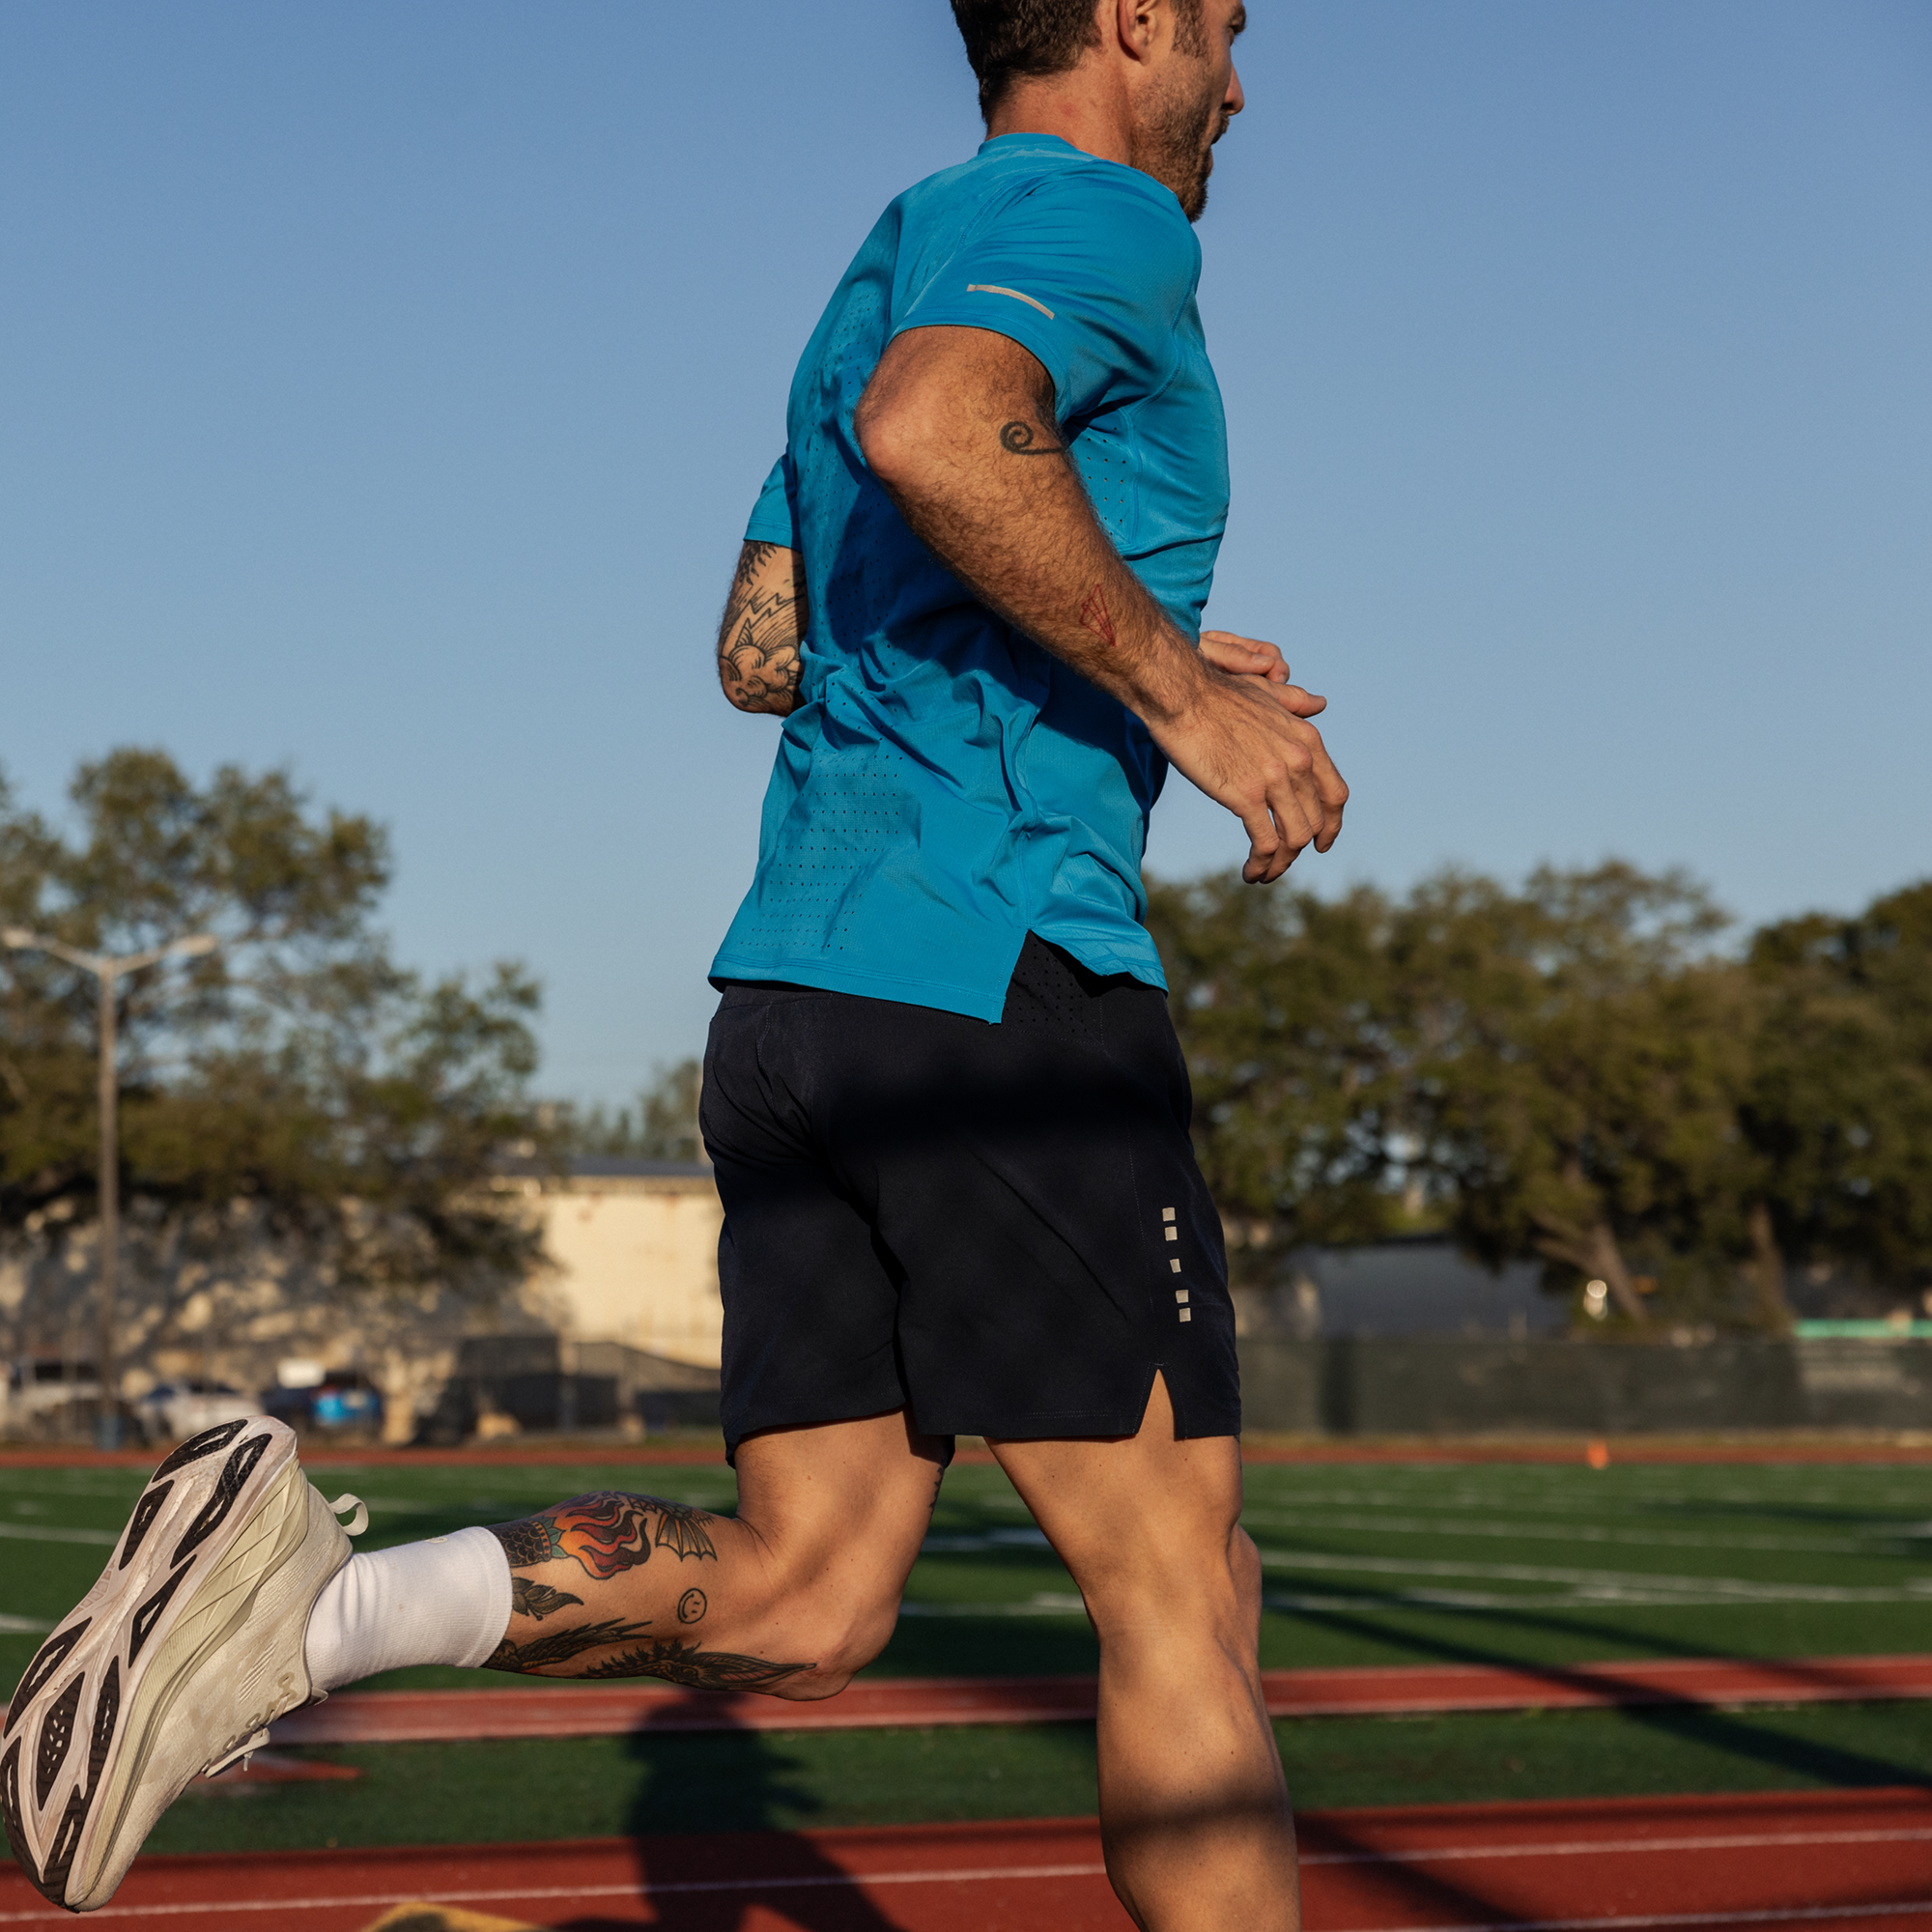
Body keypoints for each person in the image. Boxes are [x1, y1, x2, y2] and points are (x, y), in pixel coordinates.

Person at [3, 4, 1346, 1926]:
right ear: (1134, 17)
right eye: (1228, 24)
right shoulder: (1100, 220)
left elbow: (758, 639)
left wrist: (1130, 645)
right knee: (1183, 1585)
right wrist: (1176, 697)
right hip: (1002, 986)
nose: (1245, 78)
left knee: (806, 1598)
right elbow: (936, 430)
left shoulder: (887, 256)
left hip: (801, 998)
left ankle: (305, 1608)